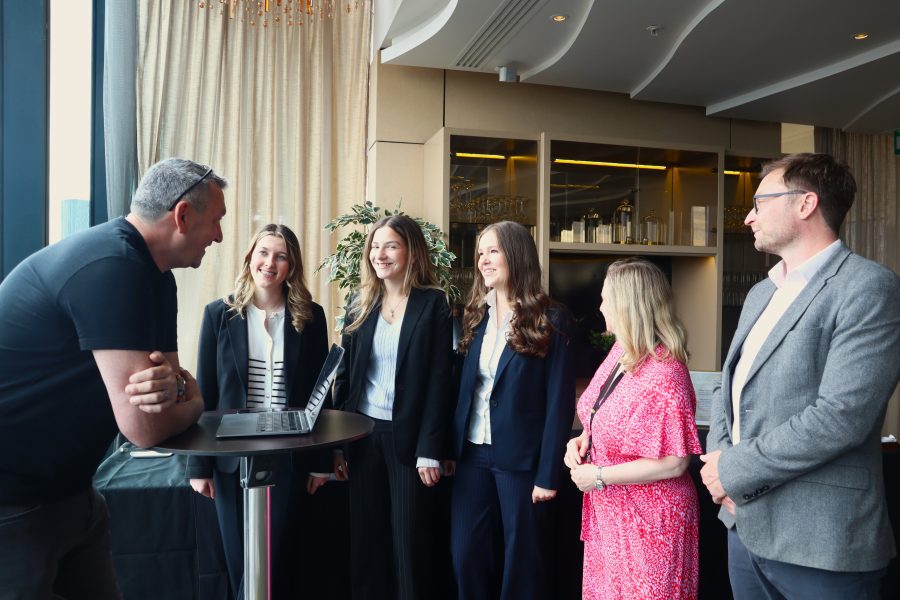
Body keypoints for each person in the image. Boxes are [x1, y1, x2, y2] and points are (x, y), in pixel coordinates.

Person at [0, 157, 227, 598]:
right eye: (216, 221)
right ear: (182, 215)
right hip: (14, 503)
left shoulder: (157, 277)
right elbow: (144, 426)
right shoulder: (113, 265)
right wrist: (196, 399)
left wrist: (182, 389)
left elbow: (173, 382)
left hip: (72, 492)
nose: (218, 236)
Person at [700, 153, 900, 599]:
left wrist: (732, 469)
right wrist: (722, 473)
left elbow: (842, 415)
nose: (749, 216)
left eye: (760, 202)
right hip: (744, 526)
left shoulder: (867, 287)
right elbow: (727, 387)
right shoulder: (760, 293)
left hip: (821, 540)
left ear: (806, 204)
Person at [184, 223, 329, 599]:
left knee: (277, 559)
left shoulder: (310, 317)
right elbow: (205, 393)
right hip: (231, 458)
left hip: (289, 454)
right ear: (250, 258)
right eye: (263, 253)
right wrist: (198, 466)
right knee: (238, 560)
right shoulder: (219, 314)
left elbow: (320, 394)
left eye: (281, 256)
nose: (270, 263)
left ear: (291, 266)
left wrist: (321, 461)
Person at [332, 214, 455, 600]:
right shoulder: (360, 303)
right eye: (375, 246)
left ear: (411, 252)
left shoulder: (434, 304)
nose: (379, 254)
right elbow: (346, 379)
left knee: (409, 545)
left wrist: (430, 450)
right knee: (367, 545)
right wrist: (338, 443)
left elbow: (441, 383)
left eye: (391, 246)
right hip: (363, 435)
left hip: (411, 443)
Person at [450, 220, 575, 600]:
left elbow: (559, 405)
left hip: (522, 462)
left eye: (493, 251)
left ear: (516, 255)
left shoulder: (552, 320)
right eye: (480, 252)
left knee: (523, 562)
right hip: (471, 454)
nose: (484, 260)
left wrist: (547, 474)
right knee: (466, 555)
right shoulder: (476, 316)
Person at [564, 257, 702, 599]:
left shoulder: (667, 371)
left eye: (606, 298)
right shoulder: (621, 353)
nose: (600, 306)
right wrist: (581, 441)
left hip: (652, 522)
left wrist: (599, 476)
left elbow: (676, 462)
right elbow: (599, 414)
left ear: (628, 304)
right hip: (611, 514)